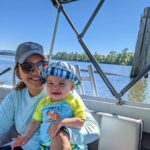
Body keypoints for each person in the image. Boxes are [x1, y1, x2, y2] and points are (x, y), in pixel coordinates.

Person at [0, 41, 100, 150]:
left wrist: (64, 133)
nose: (37, 71)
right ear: (18, 72)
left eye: (41, 64)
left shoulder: (64, 93)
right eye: (28, 67)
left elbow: (94, 129)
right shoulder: (16, 96)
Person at [11, 61, 88, 150]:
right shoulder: (43, 103)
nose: (55, 87)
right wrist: (26, 137)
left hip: (71, 145)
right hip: (44, 146)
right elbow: (35, 122)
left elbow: (81, 122)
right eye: (50, 83)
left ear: (71, 87)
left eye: (61, 83)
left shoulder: (73, 101)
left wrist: (61, 122)